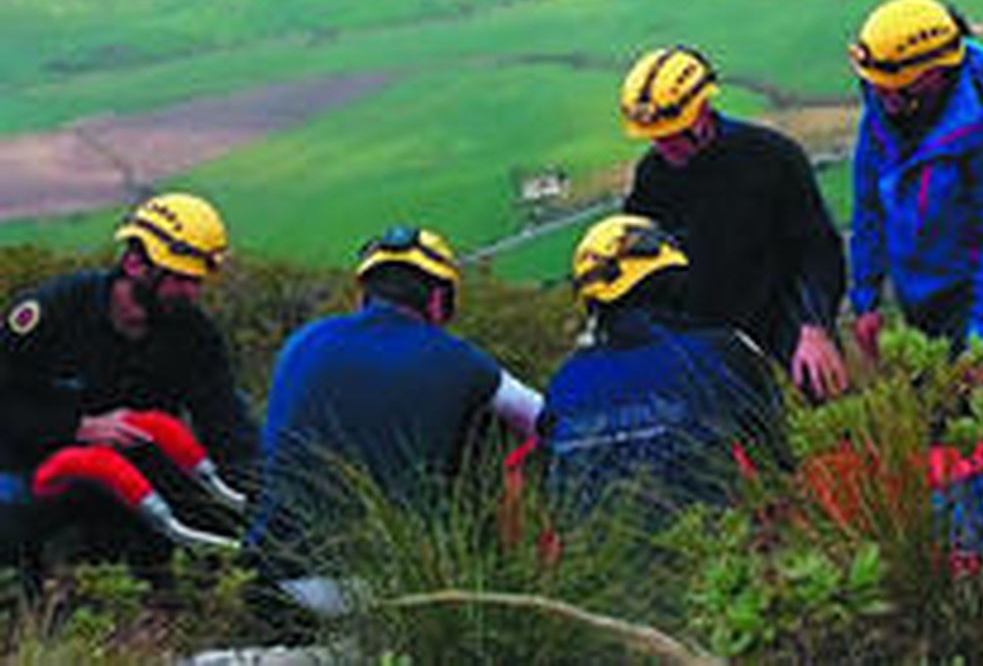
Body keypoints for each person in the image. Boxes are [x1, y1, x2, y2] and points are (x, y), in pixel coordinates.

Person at [247, 225, 543, 589]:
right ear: (437, 300)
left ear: (365, 294)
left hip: (271, 581)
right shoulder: (458, 359)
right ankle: (506, 577)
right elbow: (547, 421)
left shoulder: (304, 341)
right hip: (385, 588)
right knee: (491, 425)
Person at [0, 192, 258, 573]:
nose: (192, 292)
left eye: (197, 281)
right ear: (136, 263)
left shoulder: (194, 335)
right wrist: (77, 427)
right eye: (181, 279)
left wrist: (261, 494)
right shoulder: (52, 312)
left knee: (217, 533)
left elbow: (226, 424)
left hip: (137, 478)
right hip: (34, 465)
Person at [619, 44, 848, 401]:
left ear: (703, 109)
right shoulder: (653, 177)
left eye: (675, 134)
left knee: (828, 409)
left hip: (784, 323)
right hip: (704, 335)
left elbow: (818, 249)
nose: (666, 146)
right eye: (656, 138)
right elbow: (642, 269)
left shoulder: (772, 157)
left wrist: (815, 327)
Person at [538, 214, 789, 522]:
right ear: (672, 280)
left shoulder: (562, 385)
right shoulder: (723, 352)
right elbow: (779, 465)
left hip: (592, 566)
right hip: (712, 554)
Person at [846, 0, 983, 390]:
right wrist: (865, 298)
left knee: (979, 424)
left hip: (972, 296)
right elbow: (868, 208)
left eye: (897, 88)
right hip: (914, 295)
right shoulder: (883, 114)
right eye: (878, 87)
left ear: (936, 72)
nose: (885, 99)